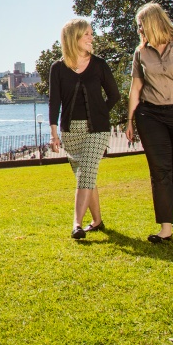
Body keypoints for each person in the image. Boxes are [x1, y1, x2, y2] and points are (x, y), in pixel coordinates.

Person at [125, 3, 173, 243]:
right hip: (150, 116)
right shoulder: (141, 53)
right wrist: (129, 120)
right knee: (160, 171)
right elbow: (135, 88)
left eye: (141, 25)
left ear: (152, 23)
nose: (139, 30)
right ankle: (165, 228)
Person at [49, 18, 121, 240]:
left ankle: (76, 224)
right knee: (86, 177)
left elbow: (114, 95)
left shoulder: (99, 64)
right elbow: (55, 102)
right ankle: (97, 221)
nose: (91, 37)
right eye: (86, 34)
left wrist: (100, 113)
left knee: (86, 174)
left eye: (91, 33)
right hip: (70, 132)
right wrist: (53, 133)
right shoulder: (58, 68)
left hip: (97, 130)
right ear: (74, 38)